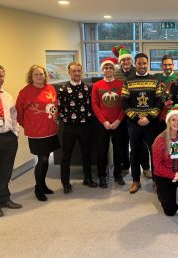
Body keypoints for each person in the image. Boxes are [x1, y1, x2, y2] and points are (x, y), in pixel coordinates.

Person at [16, 65, 60, 201]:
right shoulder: (25, 92)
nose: (39, 77)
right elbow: (19, 112)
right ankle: (38, 188)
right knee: (42, 159)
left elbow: (55, 106)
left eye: (41, 74)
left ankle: (43, 184)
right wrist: (28, 125)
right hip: (37, 132)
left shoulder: (50, 88)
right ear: (31, 77)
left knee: (46, 158)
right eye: (36, 74)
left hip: (50, 129)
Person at [121, 52, 163, 193]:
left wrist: (149, 118)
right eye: (139, 63)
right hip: (134, 124)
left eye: (144, 63)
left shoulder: (155, 81)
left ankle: (156, 181)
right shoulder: (128, 81)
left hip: (151, 124)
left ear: (147, 64)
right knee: (134, 152)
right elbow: (124, 103)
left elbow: (159, 102)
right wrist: (137, 119)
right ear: (136, 64)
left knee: (154, 151)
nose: (142, 66)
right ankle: (135, 180)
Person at [57, 62, 97, 194]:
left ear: (82, 72)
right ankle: (65, 182)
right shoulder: (63, 89)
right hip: (69, 128)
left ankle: (88, 178)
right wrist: (67, 120)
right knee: (66, 155)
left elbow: (91, 106)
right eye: (74, 71)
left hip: (85, 126)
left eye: (79, 71)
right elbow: (60, 108)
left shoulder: (87, 88)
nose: (77, 73)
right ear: (69, 72)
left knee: (87, 154)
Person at [112, 45, 151, 178]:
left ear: (132, 61)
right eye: (123, 60)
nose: (126, 62)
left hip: (137, 113)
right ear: (120, 61)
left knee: (142, 144)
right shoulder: (115, 73)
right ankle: (125, 166)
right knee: (123, 142)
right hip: (120, 111)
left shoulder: (138, 71)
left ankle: (145, 167)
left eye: (128, 60)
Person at [91, 58, 126, 188]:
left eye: (110, 68)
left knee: (118, 150)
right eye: (106, 68)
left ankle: (118, 174)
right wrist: (104, 121)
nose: (108, 70)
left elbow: (124, 104)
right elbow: (94, 104)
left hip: (118, 123)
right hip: (103, 124)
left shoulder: (121, 84)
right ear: (102, 69)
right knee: (102, 150)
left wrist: (118, 120)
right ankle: (102, 176)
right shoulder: (97, 85)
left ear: (113, 69)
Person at [0, 65, 22, 217]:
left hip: (8, 137)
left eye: (2, 75)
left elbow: (14, 115)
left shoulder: (7, 96)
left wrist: (15, 132)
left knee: (6, 170)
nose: (0, 78)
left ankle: (4, 198)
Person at [154, 55, 178, 133]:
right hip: (159, 113)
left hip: (175, 113)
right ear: (161, 66)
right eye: (165, 65)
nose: (167, 67)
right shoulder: (156, 78)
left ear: (173, 65)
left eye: (170, 64)